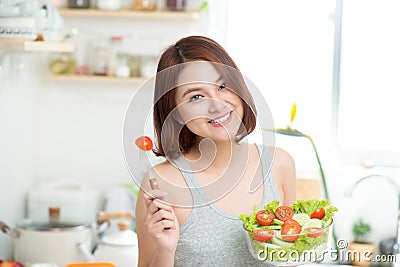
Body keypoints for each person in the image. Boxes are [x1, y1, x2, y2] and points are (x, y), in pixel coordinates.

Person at [135, 35, 296, 267]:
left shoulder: (279, 164)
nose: (217, 104)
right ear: (176, 112)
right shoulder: (161, 183)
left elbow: (290, 253)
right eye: (196, 96)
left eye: (223, 86)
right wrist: (165, 250)